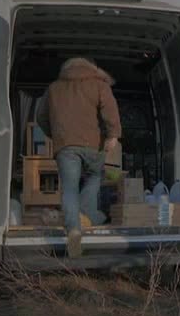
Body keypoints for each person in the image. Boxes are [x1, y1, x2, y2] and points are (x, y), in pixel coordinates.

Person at [37, 57, 121, 258]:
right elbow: (110, 108)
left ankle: (74, 228)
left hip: (66, 146)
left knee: (69, 188)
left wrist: (57, 135)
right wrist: (113, 134)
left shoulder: (53, 88)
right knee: (93, 177)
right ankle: (87, 217)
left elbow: (40, 117)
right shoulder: (99, 85)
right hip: (93, 144)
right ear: (91, 69)